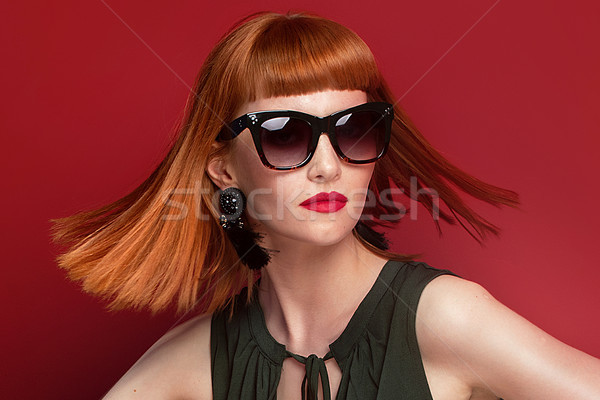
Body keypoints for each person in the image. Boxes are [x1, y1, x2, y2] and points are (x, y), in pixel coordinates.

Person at [50, 11, 600, 400]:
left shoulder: (444, 318)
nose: (328, 165)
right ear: (222, 170)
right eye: (286, 135)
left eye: (354, 130)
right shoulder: (195, 360)